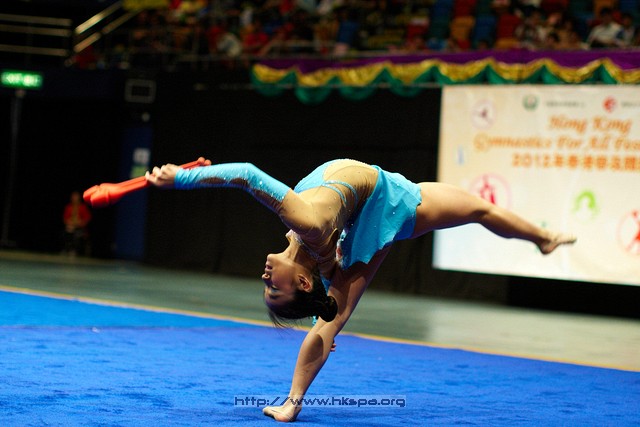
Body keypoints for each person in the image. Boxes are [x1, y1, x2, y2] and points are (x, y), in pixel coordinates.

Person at [145, 157, 576, 422]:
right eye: (273, 291)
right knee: (334, 318)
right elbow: (246, 174)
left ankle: (542, 238)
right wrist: (180, 180)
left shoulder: (313, 251)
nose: (264, 280)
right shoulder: (307, 224)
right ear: (300, 282)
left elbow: (241, 177)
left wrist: (194, 174)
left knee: (480, 209)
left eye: (266, 289)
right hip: (385, 207)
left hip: (374, 197)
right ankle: (294, 401)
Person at [62, 191, 92, 256]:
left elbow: (87, 218)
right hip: (71, 227)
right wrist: (70, 223)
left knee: (77, 234)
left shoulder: (83, 207)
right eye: (73, 197)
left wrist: (79, 223)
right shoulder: (68, 207)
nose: (74, 199)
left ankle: (75, 250)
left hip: (80, 228)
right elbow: (65, 219)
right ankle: (68, 249)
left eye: (76, 197)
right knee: (67, 232)